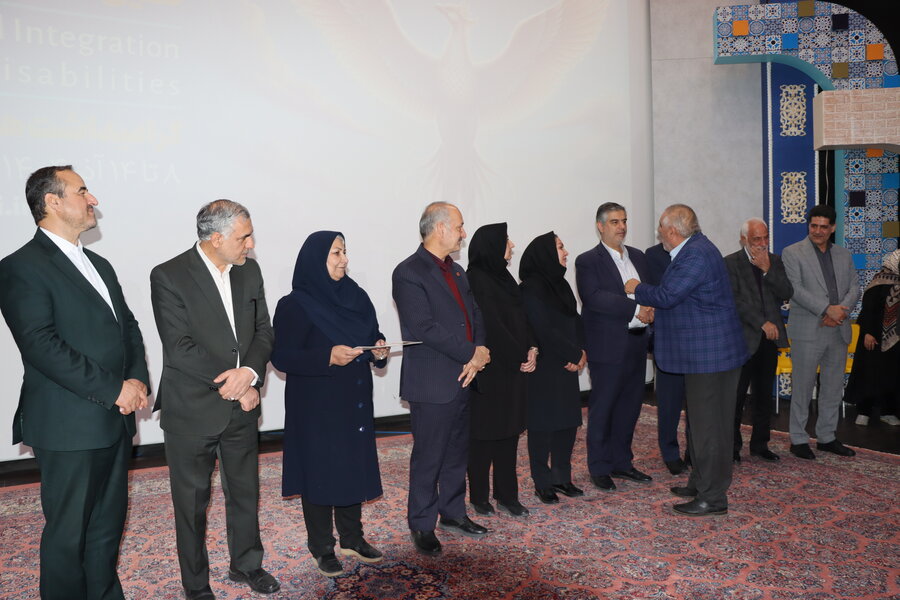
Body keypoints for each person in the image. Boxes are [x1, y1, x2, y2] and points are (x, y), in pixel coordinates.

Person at [0, 166, 150, 600]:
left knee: (106, 528)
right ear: (52, 201)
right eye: (82, 191)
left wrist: (137, 378)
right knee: (69, 537)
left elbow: (128, 328)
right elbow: (41, 345)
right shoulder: (20, 267)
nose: (93, 199)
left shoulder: (99, 264)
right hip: (68, 425)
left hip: (114, 420)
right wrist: (114, 389)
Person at [150, 200, 279, 599]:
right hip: (191, 408)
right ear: (216, 238)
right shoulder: (169, 275)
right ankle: (196, 585)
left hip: (242, 405)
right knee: (191, 504)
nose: (251, 244)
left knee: (245, 492)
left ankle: (247, 565)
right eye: (244, 237)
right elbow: (180, 347)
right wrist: (236, 382)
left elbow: (264, 331)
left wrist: (250, 373)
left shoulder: (249, 271)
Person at [270, 231, 388, 577]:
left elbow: (372, 336)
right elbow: (281, 356)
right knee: (320, 472)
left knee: (352, 466)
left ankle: (352, 538)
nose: (344, 260)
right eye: (336, 253)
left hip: (354, 399)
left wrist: (379, 350)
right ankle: (321, 547)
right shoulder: (295, 304)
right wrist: (327, 356)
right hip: (316, 404)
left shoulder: (357, 296)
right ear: (315, 259)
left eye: (345, 252)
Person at [626, 204, 747, 516]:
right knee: (701, 424)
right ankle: (700, 482)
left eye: (661, 229)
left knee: (710, 428)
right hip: (706, 356)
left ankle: (713, 498)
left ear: (672, 231)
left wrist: (636, 288)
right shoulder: (695, 249)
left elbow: (668, 295)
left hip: (711, 357)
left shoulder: (695, 254)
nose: (659, 234)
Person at [392, 202, 491, 556]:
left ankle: (453, 513)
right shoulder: (408, 272)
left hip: (463, 375)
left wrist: (480, 350)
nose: (464, 233)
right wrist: (471, 354)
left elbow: (475, 315)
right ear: (440, 228)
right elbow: (424, 327)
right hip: (432, 381)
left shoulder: (458, 271)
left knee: (456, 453)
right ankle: (422, 524)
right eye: (460, 226)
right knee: (429, 456)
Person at [576, 203, 653, 493]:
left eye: (624, 221)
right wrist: (636, 309)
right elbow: (594, 297)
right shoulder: (588, 260)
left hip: (637, 342)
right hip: (607, 345)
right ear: (600, 226)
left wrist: (651, 308)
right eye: (614, 222)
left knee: (630, 406)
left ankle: (622, 462)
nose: (621, 227)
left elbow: (650, 290)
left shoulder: (638, 256)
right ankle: (599, 467)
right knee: (603, 407)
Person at [465, 223, 536, 518]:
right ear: (491, 245)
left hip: (512, 369)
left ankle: (507, 496)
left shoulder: (504, 277)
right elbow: (491, 325)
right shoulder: (475, 279)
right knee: (483, 437)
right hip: (489, 369)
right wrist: (520, 352)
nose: (512, 245)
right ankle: (479, 497)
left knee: (509, 434)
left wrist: (532, 347)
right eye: (507, 240)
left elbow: (523, 318)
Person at [781, 205, 859, 460]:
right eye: (813, 225)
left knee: (832, 388)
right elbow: (795, 289)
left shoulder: (844, 254)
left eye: (823, 227)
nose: (817, 231)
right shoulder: (792, 252)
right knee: (803, 388)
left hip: (838, 329)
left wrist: (840, 312)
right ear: (808, 225)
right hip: (808, 330)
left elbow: (855, 288)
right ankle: (798, 439)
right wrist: (827, 310)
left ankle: (827, 437)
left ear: (832, 228)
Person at [519, 232, 586, 504]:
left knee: (567, 423)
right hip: (545, 366)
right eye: (560, 247)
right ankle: (542, 482)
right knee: (542, 427)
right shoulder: (530, 288)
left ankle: (561, 477)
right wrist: (573, 353)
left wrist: (582, 352)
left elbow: (575, 320)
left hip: (567, 365)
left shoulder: (562, 285)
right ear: (545, 253)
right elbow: (543, 329)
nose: (566, 252)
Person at [724, 218, 793, 463]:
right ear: (743, 239)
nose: (762, 243)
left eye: (765, 238)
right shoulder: (730, 263)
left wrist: (767, 270)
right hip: (742, 338)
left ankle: (760, 444)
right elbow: (734, 300)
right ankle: (732, 447)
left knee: (764, 395)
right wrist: (761, 322)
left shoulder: (774, 261)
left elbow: (787, 292)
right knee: (736, 396)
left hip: (769, 341)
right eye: (756, 239)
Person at [645, 242, 688, 475]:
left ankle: (695, 453)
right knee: (669, 404)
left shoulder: (695, 253)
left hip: (695, 341)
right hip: (668, 340)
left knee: (698, 405)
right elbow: (653, 295)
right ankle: (670, 453)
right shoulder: (653, 255)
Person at [846, 249, 900, 427]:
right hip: (874, 337)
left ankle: (888, 411)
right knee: (869, 374)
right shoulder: (879, 281)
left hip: (896, 340)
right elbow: (868, 309)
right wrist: (867, 333)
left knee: (892, 375)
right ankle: (864, 411)